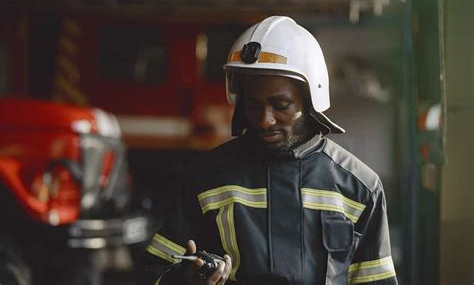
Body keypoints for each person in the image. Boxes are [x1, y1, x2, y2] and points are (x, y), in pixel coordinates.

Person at [139, 16, 398, 285]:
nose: (265, 120)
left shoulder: (359, 188)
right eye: (253, 106)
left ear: (311, 99)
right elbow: (154, 273)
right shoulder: (205, 179)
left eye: (281, 105)